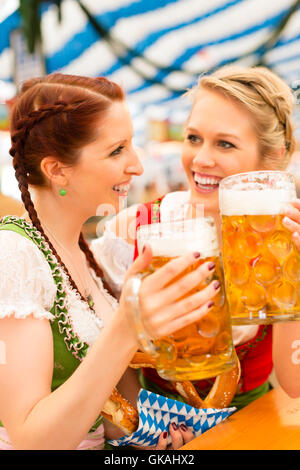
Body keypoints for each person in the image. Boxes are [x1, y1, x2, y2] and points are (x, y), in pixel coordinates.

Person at [0, 73, 220, 450]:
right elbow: (31, 441)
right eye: (117, 150)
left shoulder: (87, 254)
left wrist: (146, 437)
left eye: (131, 146)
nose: (137, 166)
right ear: (57, 170)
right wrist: (128, 325)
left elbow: (111, 409)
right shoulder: (14, 254)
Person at [92, 65, 300, 410]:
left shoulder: (284, 241)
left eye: (225, 144)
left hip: (250, 428)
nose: (201, 159)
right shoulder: (135, 230)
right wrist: (147, 429)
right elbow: (104, 362)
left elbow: (294, 386)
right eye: (193, 138)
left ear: (274, 158)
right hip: (155, 437)